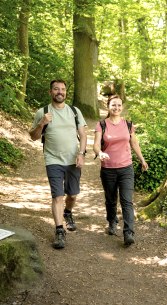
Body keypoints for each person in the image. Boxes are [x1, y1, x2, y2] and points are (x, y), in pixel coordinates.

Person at [29, 79, 87, 249]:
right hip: (52, 159)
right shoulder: (43, 112)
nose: (59, 92)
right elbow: (33, 136)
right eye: (56, 89)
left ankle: (68, 212)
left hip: (73, 161)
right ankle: (59, 230)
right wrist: (42, 123)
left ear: (66, 92)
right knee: (57, 196)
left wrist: (82, 154)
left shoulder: (74, 111)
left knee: (73, 195)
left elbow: (83, 135)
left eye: (62, 89)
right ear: (50, 92)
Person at [93, 94, 148, 246]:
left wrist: (142, 160)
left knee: (127, 201)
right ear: (108, 107)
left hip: (126, 169)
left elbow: (134, 144)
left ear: (122, 107)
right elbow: (96, 144)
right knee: (111, 200)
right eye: (113, 105)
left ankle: (128, 232)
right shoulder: (101, 125)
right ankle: (112, 221)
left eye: (119, 105)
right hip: (108, 169)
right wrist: (100, 153)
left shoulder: (128, 125)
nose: (116, 108)